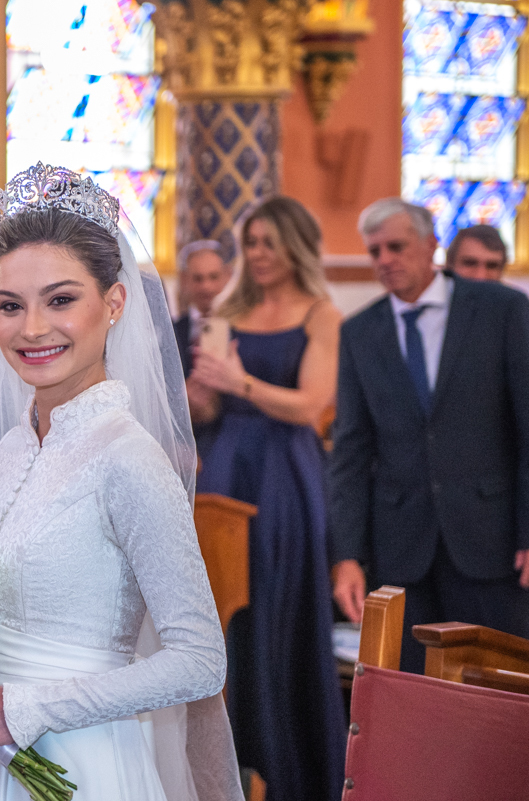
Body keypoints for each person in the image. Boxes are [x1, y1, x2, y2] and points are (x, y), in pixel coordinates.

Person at [0, 164, 240, 801]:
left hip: (83, 766)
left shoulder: (128, 456)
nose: (33, 328)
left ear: (115, 303)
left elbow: (200, 661)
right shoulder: (15, 445)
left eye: (62, 299)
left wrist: (24, 709)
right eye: (10, 306)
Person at [329, 198, 529, 676]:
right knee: (413, 692)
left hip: (493, 537)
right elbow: (351, 453)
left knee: (498, 686)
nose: (384, 260)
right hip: (401, 547)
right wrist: (347, 555)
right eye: (375, 250)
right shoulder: (361, 331)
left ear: (430, 245)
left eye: (396, 247)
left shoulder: (501, 309)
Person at [189, 196, 346, 801]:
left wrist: (242, 382)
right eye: (249, 242)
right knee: (225, 607)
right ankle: (225, 764)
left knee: (279, 606)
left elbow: (311, 406)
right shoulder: (228, 308)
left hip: (285, 470)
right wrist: (198, 392)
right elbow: (208, 405)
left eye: (267, 243)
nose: (255, 254)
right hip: (228, 463)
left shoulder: (321, 313)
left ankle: (288, 772)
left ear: (295, 246)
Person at [174, 240, 230, 461]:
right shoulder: (171, 331)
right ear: (185, 280)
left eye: (214, 277)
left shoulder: (243, 330)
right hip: (182, 444)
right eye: (198, 278)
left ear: (227, 276)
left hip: (228, 438)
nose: (207, 287)